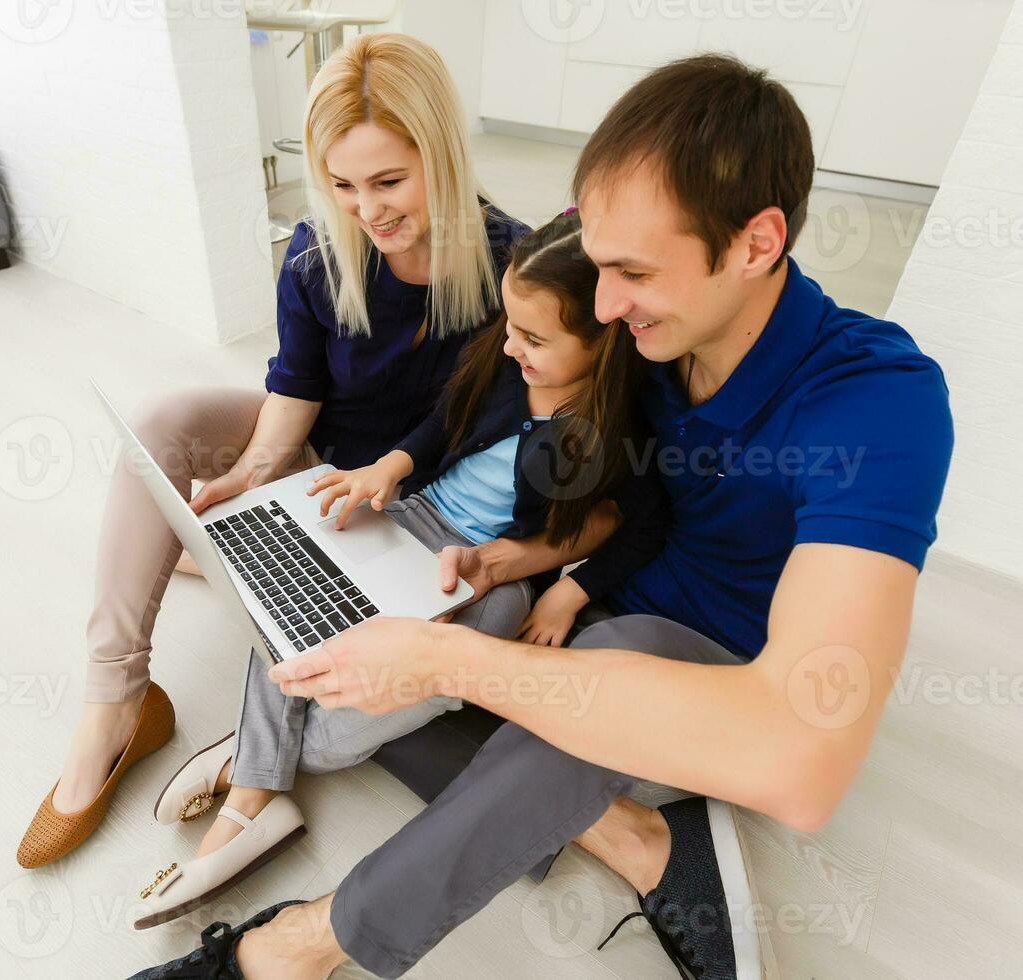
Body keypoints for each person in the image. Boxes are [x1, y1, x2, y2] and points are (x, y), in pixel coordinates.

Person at [135, 54, 954, 980]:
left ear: (757, 243)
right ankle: (641, 837)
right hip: (566, 604)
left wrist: (455, 657)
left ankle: (290, 946)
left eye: (634, 272)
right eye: (599, 268)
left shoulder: (879, 401)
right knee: (401, 668)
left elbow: (801, 762)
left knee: (496, 686)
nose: (605, 308)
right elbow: (505, 407)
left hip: (690, 649)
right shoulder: (637, 333)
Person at [15, 33, 531, 869]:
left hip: (407, 499)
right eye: (342, 185)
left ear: (440, 151)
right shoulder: (317, 252)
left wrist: (386, 475)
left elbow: (495, 417)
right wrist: (255, 474)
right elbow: (295, 388)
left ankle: (215, 569)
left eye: (390, 181)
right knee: (167, 416)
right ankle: (116, 700)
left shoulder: (513, 261)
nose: (368, 210)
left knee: (274, 561)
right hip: (319, 460)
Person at [129, 211, 667, 928]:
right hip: (413, 515)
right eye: (509, 325)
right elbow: (443, 423)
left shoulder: (622, 428)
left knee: (365, 713)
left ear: (604, 340)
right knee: (287, 606)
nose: (509, 345)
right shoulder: (503, 363)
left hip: (495, 579)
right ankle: (250, 805)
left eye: (533, 338)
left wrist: (570, 590)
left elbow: (644, 524)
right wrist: (389, 466)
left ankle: (247, 761)